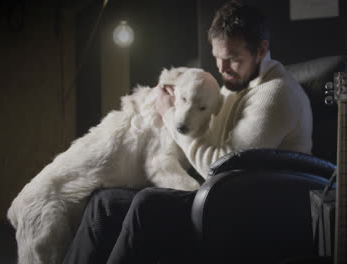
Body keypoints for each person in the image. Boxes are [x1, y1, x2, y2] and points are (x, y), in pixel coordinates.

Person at [63, 1, 312, 263]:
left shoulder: (275, 94)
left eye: (233, 59)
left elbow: (225, 168)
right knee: (105, 202)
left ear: (261, 50)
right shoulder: (235, 87)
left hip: (250, 211)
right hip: (225, 196)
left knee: (147, 202)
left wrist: (170, 115)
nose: (222, 68)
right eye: (217, 57)